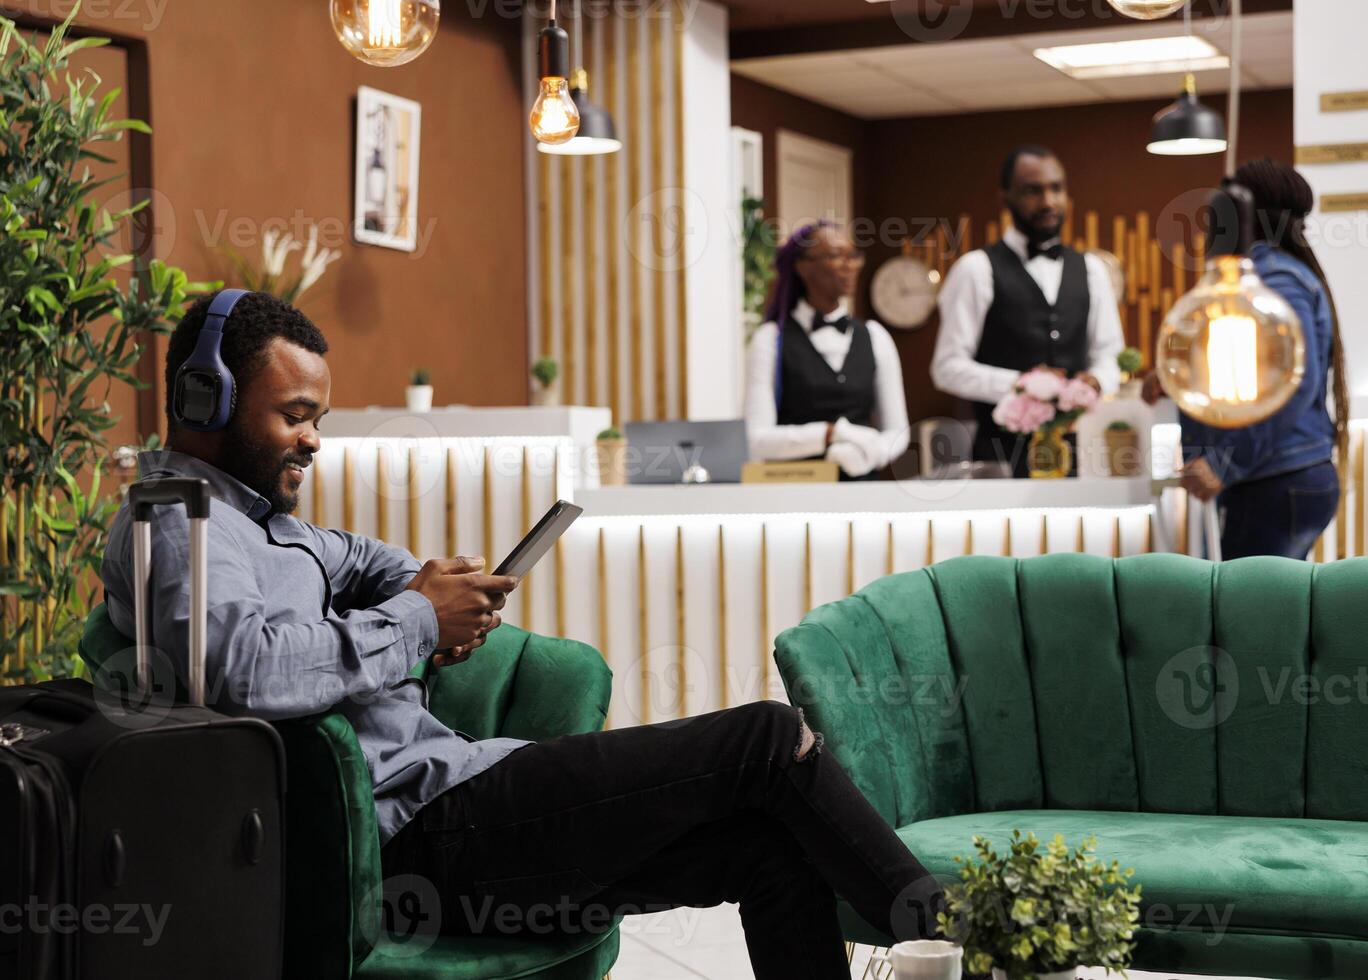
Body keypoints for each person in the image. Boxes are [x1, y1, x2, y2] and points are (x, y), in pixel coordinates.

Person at [101, 291, 946, 978]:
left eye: (318, 416)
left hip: (463, 797)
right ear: (203, 397)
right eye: (294, 415)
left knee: (766, 849)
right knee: (763, 738)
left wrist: (433, 593)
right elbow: (243, 673)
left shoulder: (268, 524)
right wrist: (418, 620)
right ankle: (969, 941)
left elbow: (373, 561)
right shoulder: (176, 526)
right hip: (416, 839)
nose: (315, 439)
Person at [1143, 159, 1348, 560]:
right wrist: (1174, 376)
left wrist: (1225, 463)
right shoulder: (1273, 274)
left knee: (1254, 618)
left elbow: (1291, 384)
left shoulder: (1271, 280)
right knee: (1267, 613)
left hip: (1273, 479)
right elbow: (1244, 366)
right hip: (1282, 476)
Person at [931, 145, 1124, 476]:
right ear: (1005, 198)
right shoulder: (976, 270)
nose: (1048, 201)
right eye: (1033, 191)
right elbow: (947, 367)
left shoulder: (1092, 270)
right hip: (999, 458)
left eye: (1056, 189)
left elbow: (1110, 353)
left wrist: (1095, 382)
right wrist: (1023, 385)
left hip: (1081, 456)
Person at [745, 221, 910, 480]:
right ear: (803, 267)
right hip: (794, 491)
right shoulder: (770, 340)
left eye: (853, 256)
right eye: (835, 256)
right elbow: (757, 439)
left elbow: (898, 432)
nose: (850, 266)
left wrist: (870, 453)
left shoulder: (876, 337)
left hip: (863, 493)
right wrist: (829, 434)